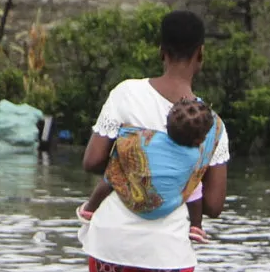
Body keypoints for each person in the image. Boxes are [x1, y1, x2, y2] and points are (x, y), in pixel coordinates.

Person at [81, 9, 230, 272]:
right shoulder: (212, 126)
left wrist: (132, 162)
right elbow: (214, 205)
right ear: (201, 55)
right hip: (168, 249)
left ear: (161, 51)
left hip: (110, 240)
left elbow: (92, 160)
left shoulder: (126, 93)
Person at [79, 96, 220, 242]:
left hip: (133, 200)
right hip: (165, 207)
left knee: (113, 172)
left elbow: (126, 135)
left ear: (167, 126)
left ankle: (90, 209)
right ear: (200, 140)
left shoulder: (147, 140)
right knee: (195, 185)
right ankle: (196, 226)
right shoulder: (195, 156)